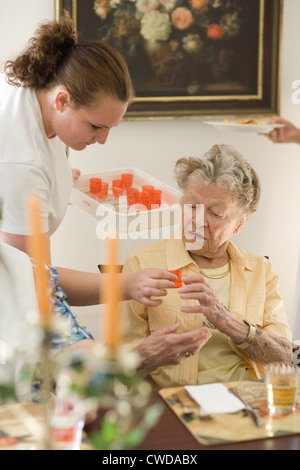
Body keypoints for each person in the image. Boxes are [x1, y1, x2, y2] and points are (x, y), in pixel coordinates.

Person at [0, 14, 175, 310]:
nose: (102, 140)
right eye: (95, 127)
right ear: (62, 101)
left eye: (110, 128)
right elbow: (30, 280)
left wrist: (57, 180)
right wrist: (128, 283)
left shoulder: (33, 90)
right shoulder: (23, 163)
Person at [121, 144, 293, 388]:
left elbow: (284, 358)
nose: (197, 221)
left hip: (245, 403)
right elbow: (118, 369)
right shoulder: (142, 263)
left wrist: (227, 322)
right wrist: (146, 356)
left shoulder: (260, 270)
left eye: (215, 213)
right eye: (191, 207)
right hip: (174, 403)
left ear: (239, 224)